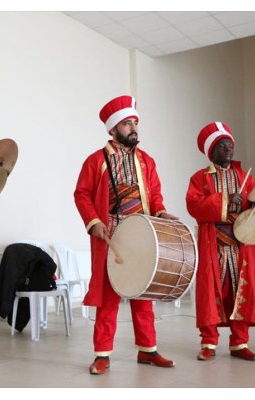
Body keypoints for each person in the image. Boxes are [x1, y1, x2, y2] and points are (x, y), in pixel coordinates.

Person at [74, 95, 179, 374]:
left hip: (142, 233)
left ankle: (148, 350)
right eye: (127, 124)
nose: (134, 128)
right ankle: (102, 354)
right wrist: (93, 221)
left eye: (135, 123)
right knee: (108, 296)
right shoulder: (96, 161)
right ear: (112, 130)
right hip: (110, 234)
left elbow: (155, 195)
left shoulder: (147, 161)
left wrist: (161, 212)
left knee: (143, 293)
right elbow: (81, 194)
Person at [185, 122, 255, 362]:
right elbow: (194, 205)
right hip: (214, 244)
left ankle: (239, 343)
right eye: (222, 146)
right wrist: (224, 200)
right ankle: (209, 342)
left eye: (230, 145)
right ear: (212, 151)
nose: (228, 149)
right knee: (211, 292)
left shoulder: (245, 176)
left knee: (241, 291)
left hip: (241, 245)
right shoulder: (199, 179)